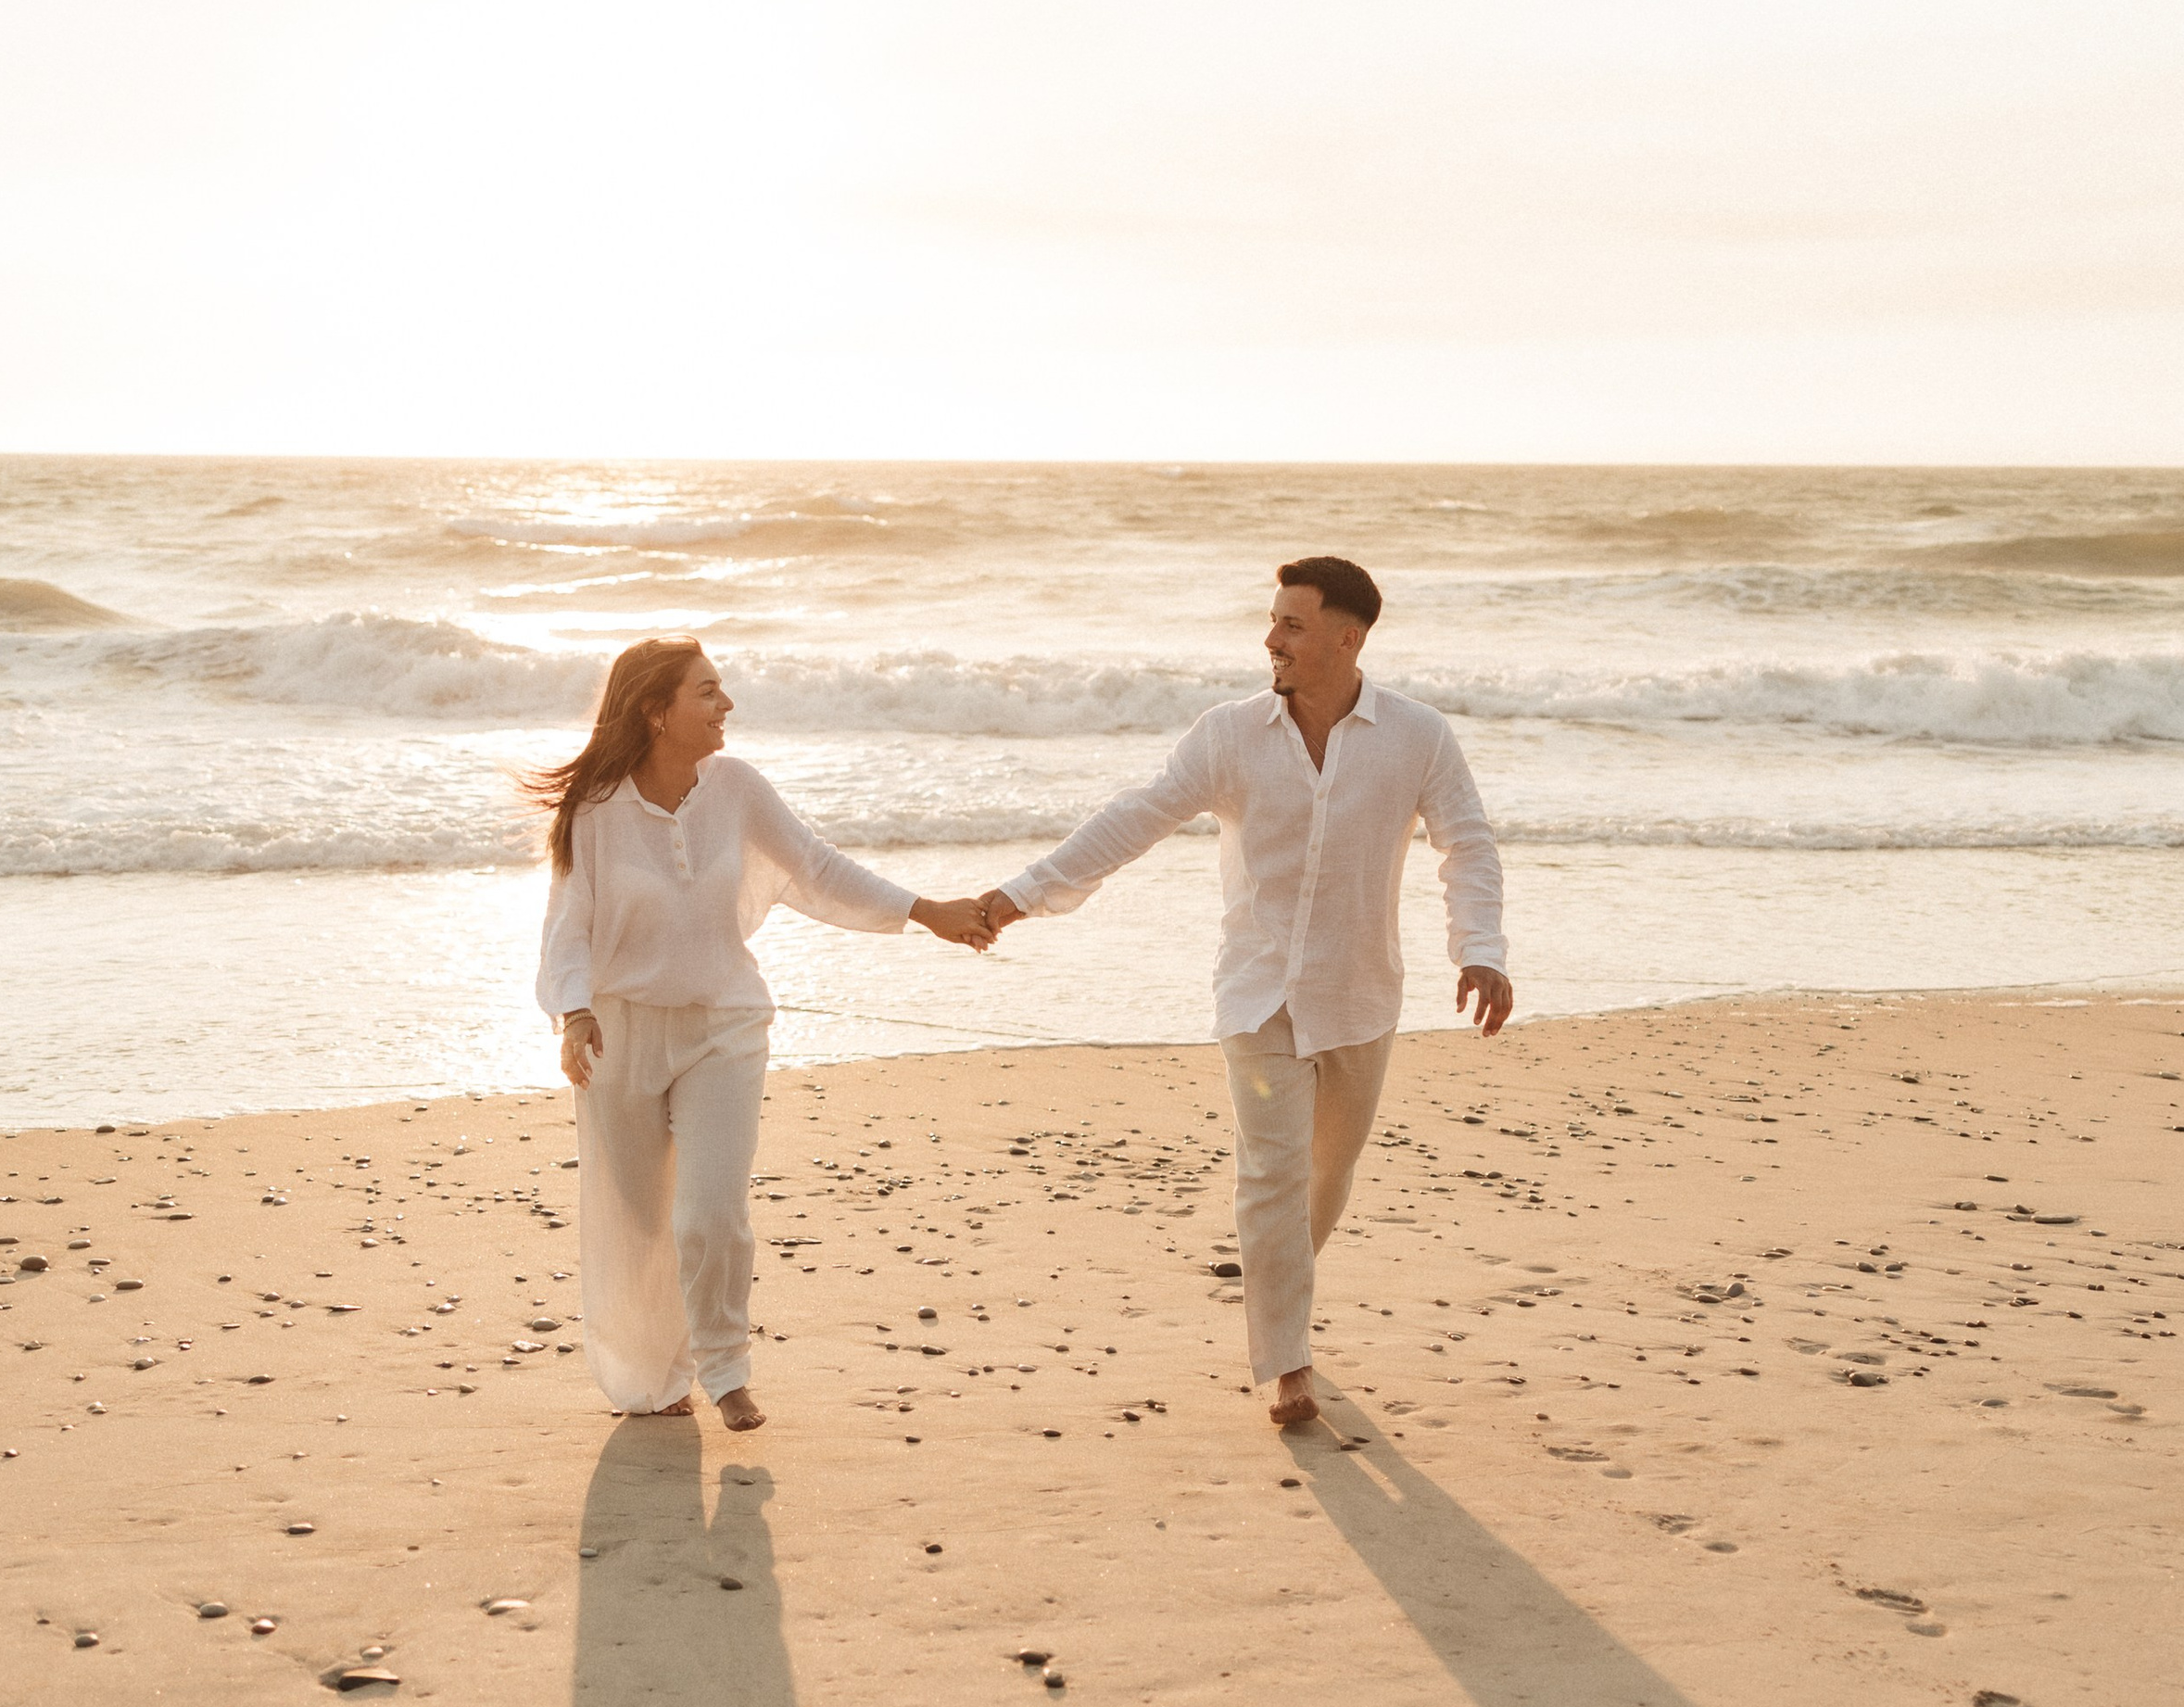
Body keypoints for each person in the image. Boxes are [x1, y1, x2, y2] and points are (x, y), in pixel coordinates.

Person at [976, 555, 1510, 1431]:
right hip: (1257, 992)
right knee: (1270, 1173)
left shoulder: (1418, 737)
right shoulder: (1229, 734)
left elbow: (1468, 846)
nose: (1271, 640)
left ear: (1349, 637)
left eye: (1292, 625)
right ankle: (1287, 1364)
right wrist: (1021, 895)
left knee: (1325, 1179)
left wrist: (1480, 949)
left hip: (1359, 994)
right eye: (1272, 622)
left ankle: (1283, 1293)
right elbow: (1135, 816)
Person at [532, 637, 993, 1431]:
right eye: (707, 693)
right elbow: (568, 927)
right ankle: (650, 1376)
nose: (726, 706)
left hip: (724, 1026)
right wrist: (574, 1013)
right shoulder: (597, 811)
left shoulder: (737, 787)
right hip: (623, 1034)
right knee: (638, 1222)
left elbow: (818, 868)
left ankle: (725, 1366)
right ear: (656, 710)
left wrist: (928, 913)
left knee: (710, 1212)